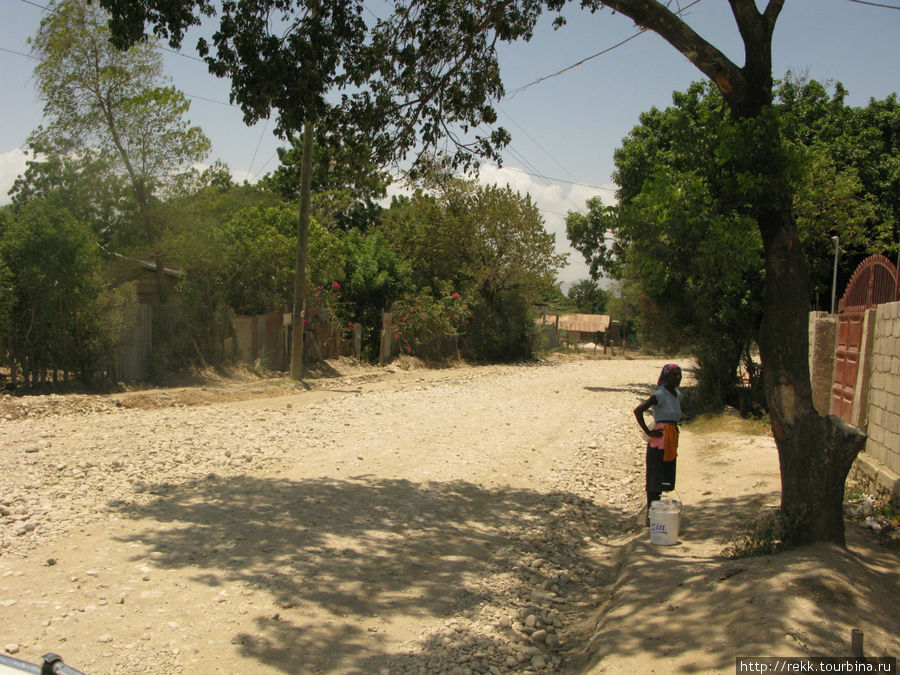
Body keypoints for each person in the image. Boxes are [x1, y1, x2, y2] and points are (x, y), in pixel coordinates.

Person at [634, 363, 683, 523]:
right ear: (666, 377)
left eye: (679, 374)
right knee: (654, 476)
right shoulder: (659, 395)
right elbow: (638, 410)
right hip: (659, 439)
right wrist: (648, 432)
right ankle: (650, 515)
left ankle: (657, 511)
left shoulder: (677, 395)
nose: (677, 377)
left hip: (671, 439)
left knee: (664, 475)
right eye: (674, 374)